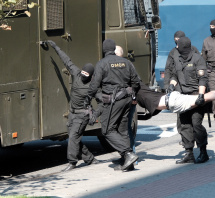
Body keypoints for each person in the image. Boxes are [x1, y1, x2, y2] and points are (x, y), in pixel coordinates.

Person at [41, 40, 100, 172]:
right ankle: (90, 159)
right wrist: (55, 46)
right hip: (72, 113)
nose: (84, 76)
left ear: (91, 76)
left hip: (82, 115)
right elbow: (66, 60)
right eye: (83, 73)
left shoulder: (92, 87)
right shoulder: (76, 73)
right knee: (75, 138)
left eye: (87, 75)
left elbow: (102, 101)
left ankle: (72, 162)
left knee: (73, 137)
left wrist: (96, 114)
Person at [85, 39, 141, 172]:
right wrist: (132, 95)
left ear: (104, 50)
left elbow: (94, 86)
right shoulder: (126, 62)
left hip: (113, 101)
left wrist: (88, 98)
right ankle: (128, 163)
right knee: (122, 130)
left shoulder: (102, 64)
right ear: (114, 48)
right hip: (127, 99)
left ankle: (128, 154)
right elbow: (136, 82)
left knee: (107, 130)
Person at [168, 36, 209, 164]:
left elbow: (203, 79)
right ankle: (189, 153)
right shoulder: (177, 59)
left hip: (196, 96)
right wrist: (171, 85)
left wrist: (201, 96)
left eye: (178, 45)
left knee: (196, 125)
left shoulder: (197, 58)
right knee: (184, 125)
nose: (176, 47)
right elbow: (175, 75)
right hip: (182, 97)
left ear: (183, 47)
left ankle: (203, 152)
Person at [164, 30, 200, 150]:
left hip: (194, 92)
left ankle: (201, 148)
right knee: (183, 121)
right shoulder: (174, 53)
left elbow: (202, 75)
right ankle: (187, 145)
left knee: (196, 123)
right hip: (180, 90)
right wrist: (169, 86)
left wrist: (201, 93)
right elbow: (170, 71)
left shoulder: (195, 54)